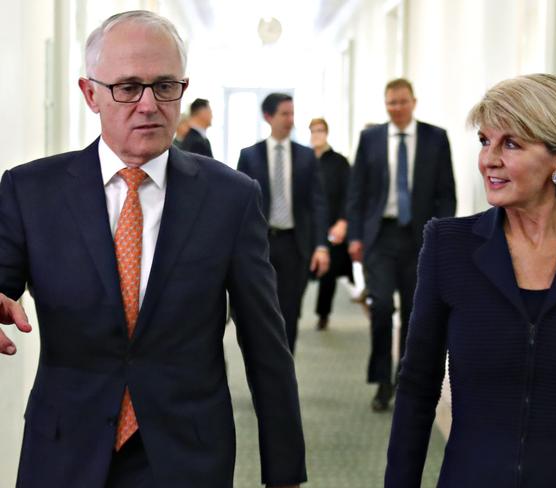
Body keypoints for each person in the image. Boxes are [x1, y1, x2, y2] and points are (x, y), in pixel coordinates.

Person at [0, 11, 304, 488]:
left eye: (165, 87)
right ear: (90, 93)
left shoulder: (231, 198)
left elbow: (266, 342)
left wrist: (283, 471)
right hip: (64, 450)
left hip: (187, 455)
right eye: (128, 87)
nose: (149, 105)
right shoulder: (30, 191)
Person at [385, 73, 556, 487]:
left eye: (510, 144)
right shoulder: (448, 247)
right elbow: (418, 387)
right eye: (485, 141)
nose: (489, 159)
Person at [346, 78, 456, 411]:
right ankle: (382, 381)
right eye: (391, 102)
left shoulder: (435, 139)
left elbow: (446, 193)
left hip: (418, 238)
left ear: (413, 101)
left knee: (414, 313)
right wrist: (355, 236)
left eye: (402, 101)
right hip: (380, 235)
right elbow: (358, 191)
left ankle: (406, 379)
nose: (397, 108)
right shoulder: (371, 139)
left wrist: (442, 236)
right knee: (380, 306)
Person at [237, 94, 329, 353]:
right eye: (284, 114)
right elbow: (238, 206)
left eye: (292, 113)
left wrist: (321, 246)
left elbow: (318, 204)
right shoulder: (250, 156)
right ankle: (261, 368)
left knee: (289, 311)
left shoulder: (306, 157)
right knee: (259, 311)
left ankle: (284, 373)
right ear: (268, 117)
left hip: (295, 245)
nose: (290, 120)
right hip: (260, 245)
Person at [308, 117, 353, 331]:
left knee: (329, 274)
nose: (317, 134)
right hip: (307, 227)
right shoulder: (303, 159)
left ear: (326, 133)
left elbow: (349, 194)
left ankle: (323, 314)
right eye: (313, 130)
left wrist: (343, 222)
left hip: (333, 225)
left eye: (320, 130)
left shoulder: (339, 162)